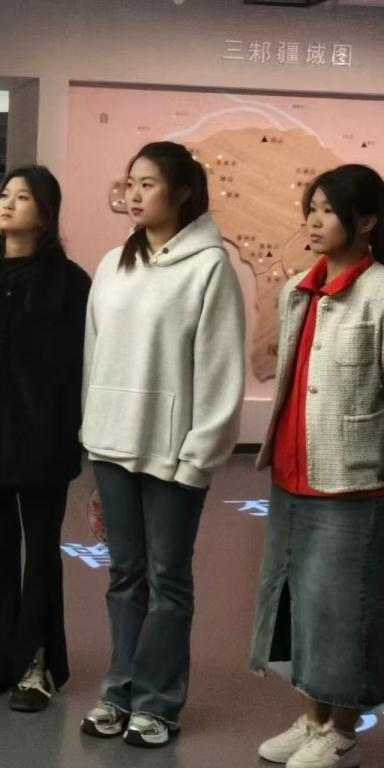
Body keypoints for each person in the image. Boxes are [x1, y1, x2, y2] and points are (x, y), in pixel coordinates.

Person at [79, 141, 245, 747]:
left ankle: (158, 704)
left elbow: (220, 369)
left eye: (148, 184)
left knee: (167, 580)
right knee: (125, 576)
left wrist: (199, 455)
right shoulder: (111, 264)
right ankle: (119, 691)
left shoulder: (210, 267)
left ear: (182, 192)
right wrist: (92, 438)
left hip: (174, 454)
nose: (134, 194)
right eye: (130, 183)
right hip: (111, 445)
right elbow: (94, 356)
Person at [249, 164, 384, 768]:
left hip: (352, 479)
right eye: (311, 208)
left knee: (344, 611)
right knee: (297, 603)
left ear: (367, 221)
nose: (313, 220)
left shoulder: (380, 292)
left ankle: (343, 733)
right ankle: (312, 722)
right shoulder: (298, 289)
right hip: (290, 473)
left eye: (328, 210)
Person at [0, 166, 90, 712]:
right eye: (5, 194)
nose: (7, 203)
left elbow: (77, 367)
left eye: (23, 197)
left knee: (41, 552)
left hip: (43, 437)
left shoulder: (70, 284)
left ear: (46, 213)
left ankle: (39, 661)